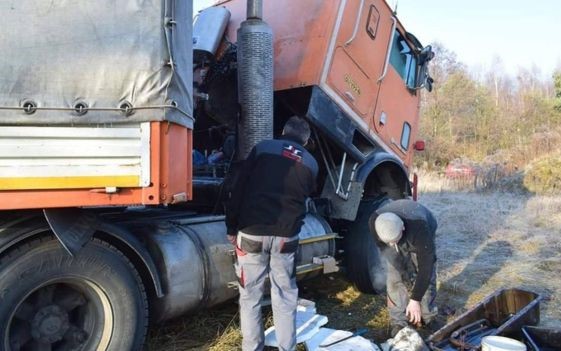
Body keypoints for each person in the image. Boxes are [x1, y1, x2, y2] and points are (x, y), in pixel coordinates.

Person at [225, 116, 318, 351]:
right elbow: (306, 199)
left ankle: (252, 348)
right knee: (285, 296)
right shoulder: (312, 163)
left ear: (283, 131)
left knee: (250, 297)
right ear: (305, 141)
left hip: (252, 233)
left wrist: (231, 227)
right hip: (286, 238)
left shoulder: (263, 148)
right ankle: (287, 348)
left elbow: (239, 189)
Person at [368, 199, 438, 337]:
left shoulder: (420, 229)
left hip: (421, 227)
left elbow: (426, 267)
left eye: (396, 240)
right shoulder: (374, 223)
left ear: (403, 228)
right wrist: (404, 274)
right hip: (395, 230)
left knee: (425, 275)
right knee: (394, 277)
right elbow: (387, 252)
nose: (394, 244)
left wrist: (415, 299)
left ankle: (428, 315)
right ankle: (398, 322)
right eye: (390, 242)